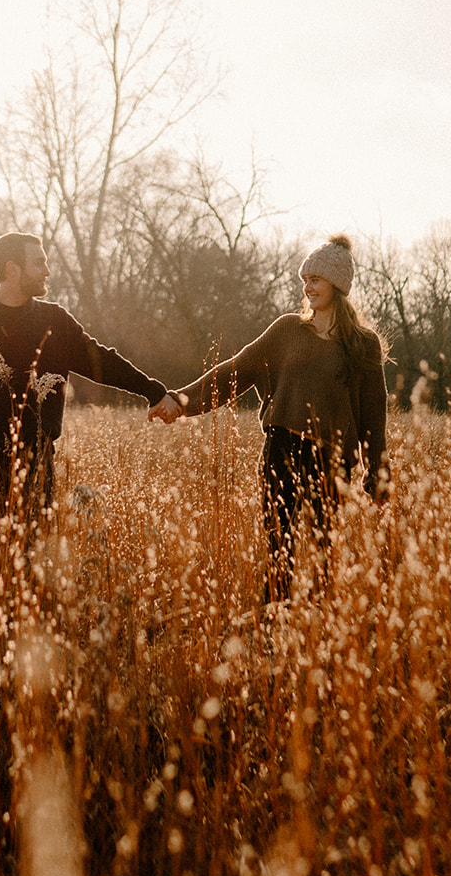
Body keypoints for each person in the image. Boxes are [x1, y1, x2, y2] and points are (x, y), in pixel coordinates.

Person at [0, 232, 180, 540]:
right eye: (39, 263)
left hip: (38, 467)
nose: (47, 271)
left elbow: (102, 362)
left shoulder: (54, 322)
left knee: (33, 562)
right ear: (12, 269)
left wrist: (154, 392)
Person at [160, 233, 389, 601]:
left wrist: (377, 477)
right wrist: (179, 400)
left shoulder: (363, 345)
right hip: (281, 451)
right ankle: (272, 624)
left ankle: (317, 628)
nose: (308, 287)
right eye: (305, 279)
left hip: (332, 462)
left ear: (337, 284)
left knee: (323, 559)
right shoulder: (287, 330)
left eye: (315, 279)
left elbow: (374, 418)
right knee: (278, 553)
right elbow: (234, 370)